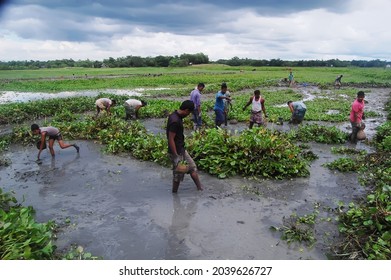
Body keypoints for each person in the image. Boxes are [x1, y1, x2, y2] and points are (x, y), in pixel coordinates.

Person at [166, 100, 203, 193]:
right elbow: (171, 139)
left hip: (181, 149)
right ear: (186, 110)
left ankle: (200, 189)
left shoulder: (175, 115)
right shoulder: (175, 120)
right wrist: (175, 156)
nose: (189, 115)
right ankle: (174, 194)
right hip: (176, 151)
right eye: (189, 112)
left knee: (192, 167)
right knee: (178, 174)